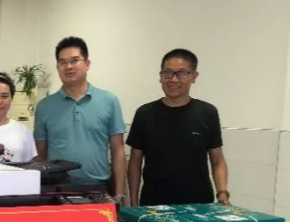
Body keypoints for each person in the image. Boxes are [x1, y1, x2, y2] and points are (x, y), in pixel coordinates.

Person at [126, 49, 230, 206]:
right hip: (153, 204)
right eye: (167, 73)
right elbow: (135, 162)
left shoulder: (207, 113)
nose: (173, 79)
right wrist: (134, 201)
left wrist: (222, 193)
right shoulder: (144, 113)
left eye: (182, 73)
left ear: (194, 76)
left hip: (199, 204)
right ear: (160, 77)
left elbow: (217, 161)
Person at [33, 36, 127, 202]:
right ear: (57, 67)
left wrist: (119, 194)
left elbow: (118, 151)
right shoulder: (44, 107)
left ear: (87, 64)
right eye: (63, 62)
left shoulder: (109, 101)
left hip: (98, 187)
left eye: (74, 60)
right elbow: (41, 155)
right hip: (57, 190)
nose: (68, 66)